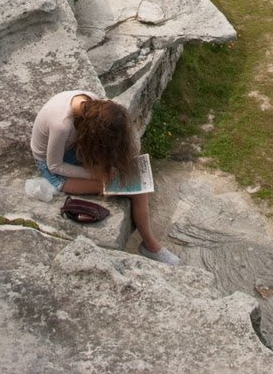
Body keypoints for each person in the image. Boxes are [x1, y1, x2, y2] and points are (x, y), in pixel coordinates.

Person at [30, 89, 178, 265]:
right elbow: (54, 165)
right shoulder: (61, 126)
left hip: (74, 147)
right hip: (54, 166)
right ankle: (150, 245)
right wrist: (95, 174)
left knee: (128, 176)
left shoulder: (93, 103)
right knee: (130, 189)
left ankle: (150, 245)